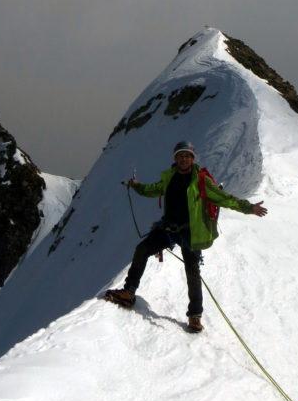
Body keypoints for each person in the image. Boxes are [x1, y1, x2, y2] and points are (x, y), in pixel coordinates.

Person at [105, 141, 267, 332]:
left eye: (187, 156)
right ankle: (128, 292)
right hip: (168, 229)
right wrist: (137, 186)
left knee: (192, 272)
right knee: (142, 249)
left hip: (190, 232)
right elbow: (152, 190)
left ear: (192, 159)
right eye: (180, 156)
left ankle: (195, 316)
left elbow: (225, 199)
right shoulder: (169, 177)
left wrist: (249, 208)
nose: (183, 159)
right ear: (175, 159)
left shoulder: (201, 180)